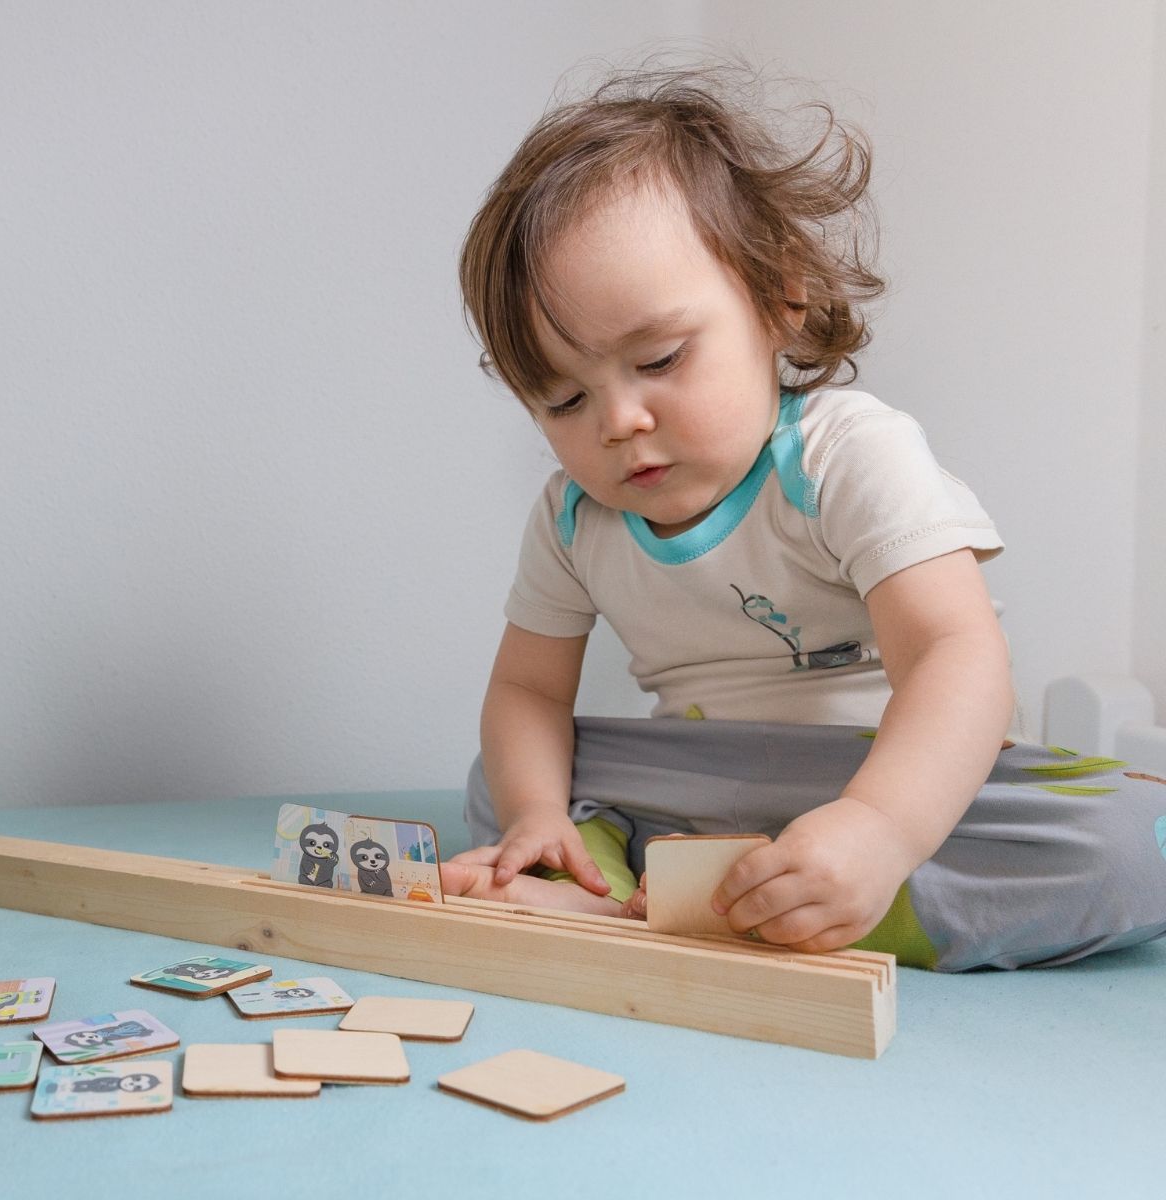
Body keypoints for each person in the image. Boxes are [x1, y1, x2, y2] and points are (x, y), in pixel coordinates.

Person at [441, 65, 1166, 971]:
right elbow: (529, 693)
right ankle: (620, 882)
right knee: (502, 785)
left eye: (659, 358)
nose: (618, 422)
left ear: (779, 298)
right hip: (704, 778)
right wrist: (537, 815)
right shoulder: (571, 518)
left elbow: (956, 655)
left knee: (1139, 837)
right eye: (563, 399)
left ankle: (846, 897)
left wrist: (878, 828)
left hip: (888, 770)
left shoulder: (846, 455)